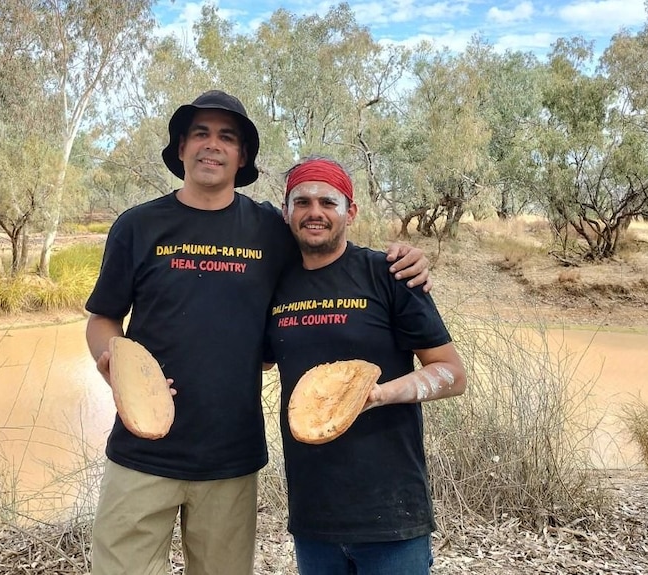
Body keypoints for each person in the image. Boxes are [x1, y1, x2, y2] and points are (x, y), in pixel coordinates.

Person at [84, 91, 431, 575]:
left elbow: (328, 244)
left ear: (242, 156)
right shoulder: (138, 226)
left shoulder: (270, 228)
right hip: (141, 450)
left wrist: (402, 262)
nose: (213, 145)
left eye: (227, 137)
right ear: (181, 147)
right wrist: (113, 367)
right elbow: (103, 319)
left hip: (231, 460)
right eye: (200, 133)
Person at [264, 156, 467, 575]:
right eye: (301, 202)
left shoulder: (389, 273)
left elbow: (451, 373)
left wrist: (374, 396)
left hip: (391, 512)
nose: (314, 212)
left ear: (350, 212)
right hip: (313, 511)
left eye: (328, 202)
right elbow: (257, 360)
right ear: (286, 212)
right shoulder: (273, 285)